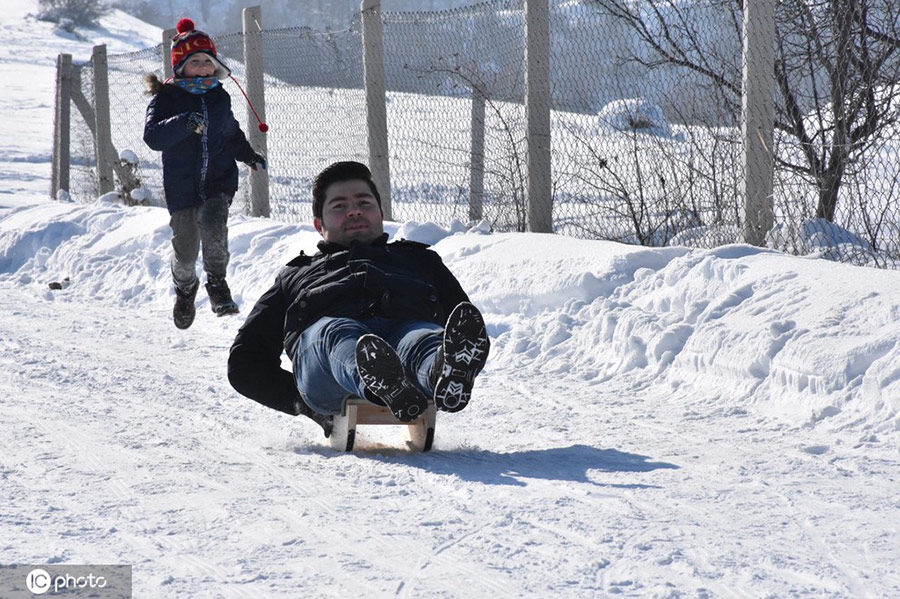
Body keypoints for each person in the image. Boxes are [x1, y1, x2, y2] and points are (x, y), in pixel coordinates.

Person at [228, 161, 490, 437]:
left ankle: (437, 374)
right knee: (336, 332)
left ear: (380, 213)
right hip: (326, 365)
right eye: (339, 206)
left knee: (422, 337)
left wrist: (453, 354)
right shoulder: (295, 276)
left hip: (403, 333)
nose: (354, 211)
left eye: (364, 203)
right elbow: (244, 362)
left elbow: (469, 335)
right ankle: (379, 379)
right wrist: (305, 404)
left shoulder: (420, 261)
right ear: (319, 225)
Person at [143, 18, 267, 329]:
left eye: (208, 62)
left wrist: (248, 154)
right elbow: (153, 137)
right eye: (196, 62)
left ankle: (218, 285)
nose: (204, 68)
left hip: (218, 181)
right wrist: (183, 123)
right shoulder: (167, 98)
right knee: (185, 251)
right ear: (181, 65)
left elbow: (230, 132)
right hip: (182, 187)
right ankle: (185, 290)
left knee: (214, 227)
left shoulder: (219, 97)